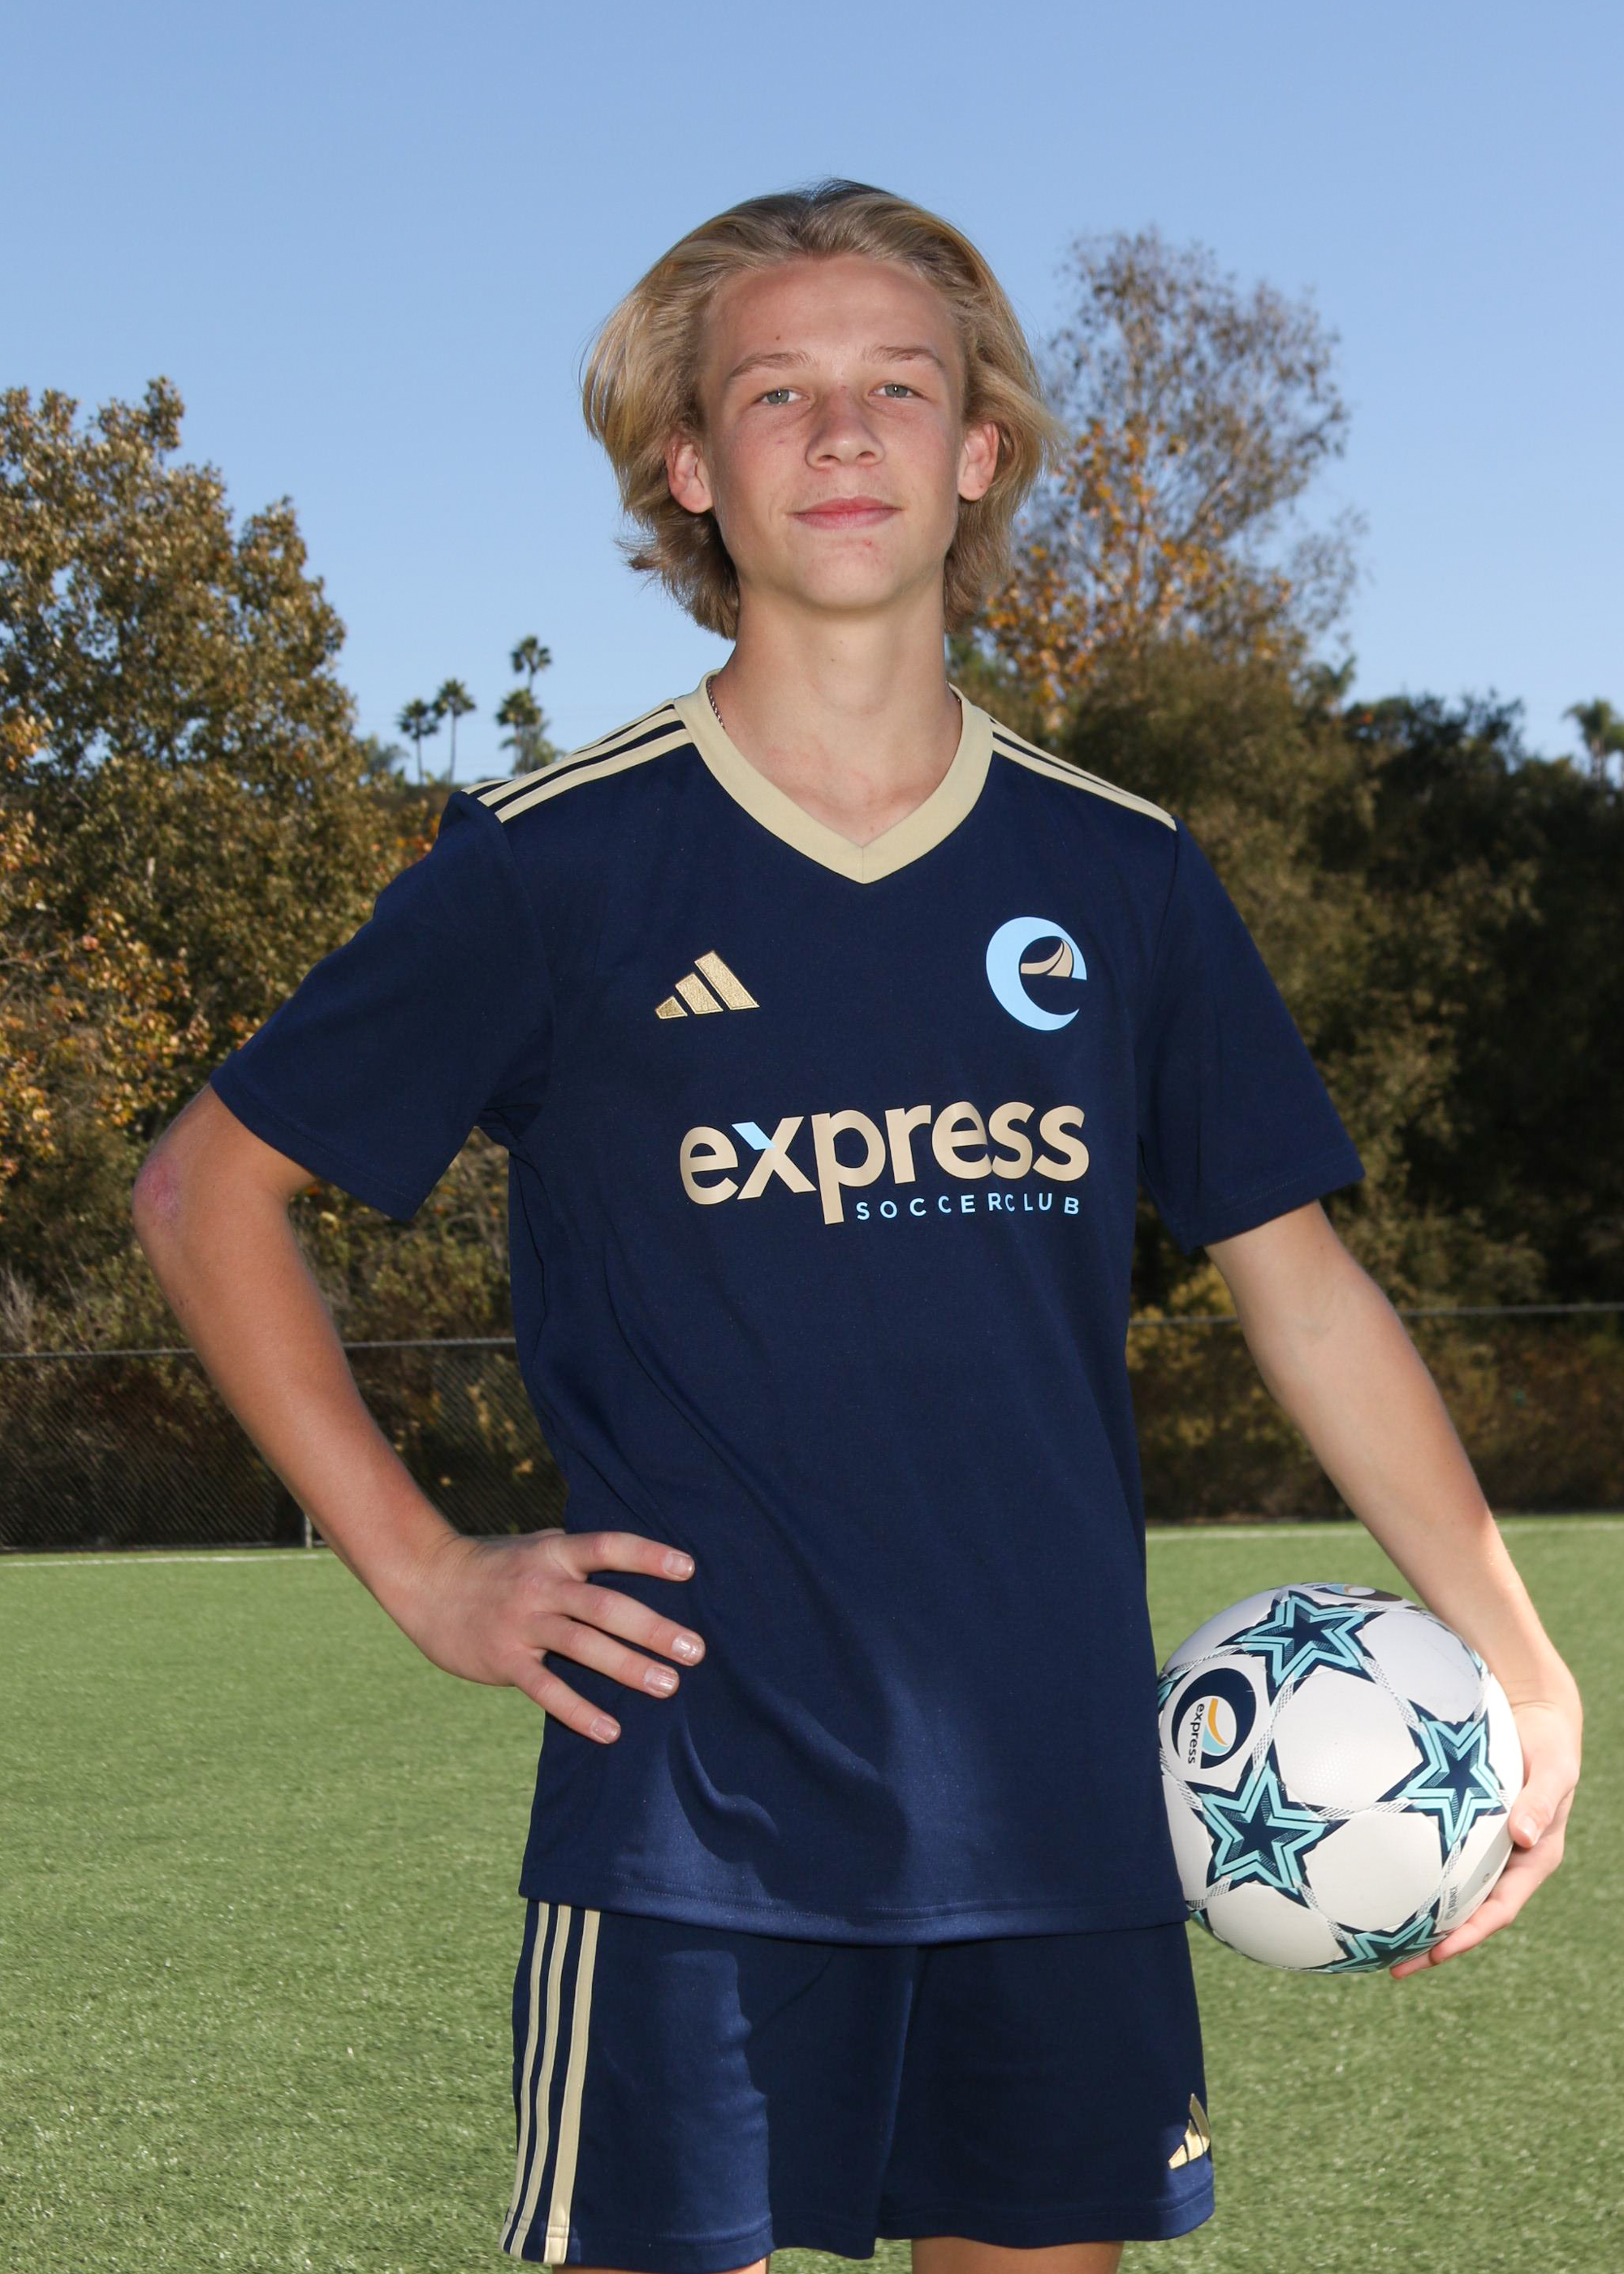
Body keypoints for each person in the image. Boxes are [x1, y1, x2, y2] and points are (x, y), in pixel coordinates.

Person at [132, 179, 1583, 2274]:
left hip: (1066, 1823)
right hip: (692, 1830)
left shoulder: (1125, 877)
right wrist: (430, 1572)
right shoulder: (555, 866)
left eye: (897, 387)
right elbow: (204, 1193)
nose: (840, 432)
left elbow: (1305, 1292)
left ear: (977, 451)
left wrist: (1522, 1662)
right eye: (775, 392)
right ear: (688, 467)